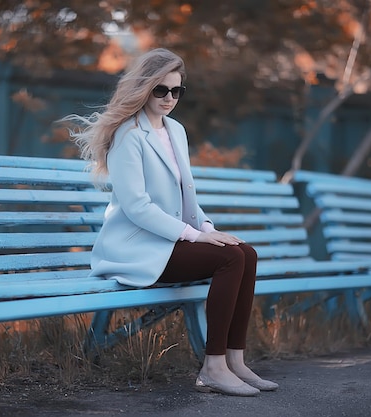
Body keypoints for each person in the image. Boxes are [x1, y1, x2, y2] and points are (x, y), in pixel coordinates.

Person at [65, 48, 278, 396]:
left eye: (176, 91)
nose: (169, 98)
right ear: (145, 89)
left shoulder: (175, 130)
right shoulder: (128, 136)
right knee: (230, 258)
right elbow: (137, 207)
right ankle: (212, 368)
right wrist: (193, 236)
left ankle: (234, 361)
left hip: (169, 242)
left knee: (245, 252)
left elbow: (186, 195)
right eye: (161, 90)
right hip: (136, 248)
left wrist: (207, 229)